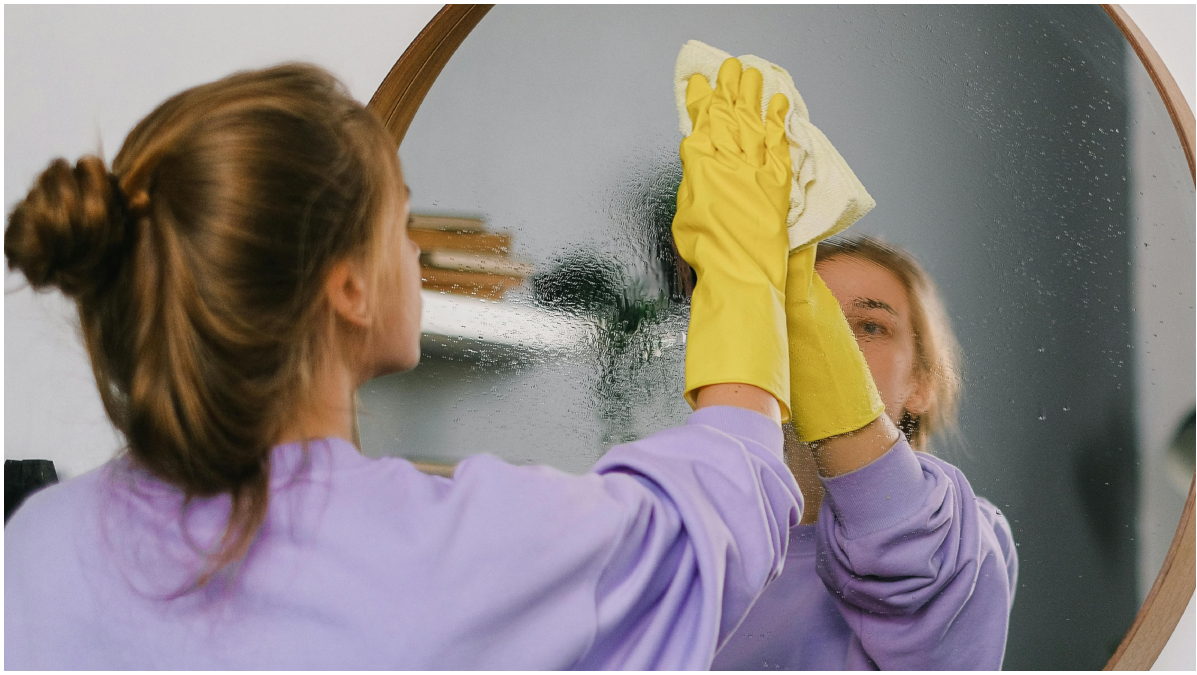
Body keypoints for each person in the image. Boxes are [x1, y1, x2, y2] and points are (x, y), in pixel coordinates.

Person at [2, 59, 894, 669]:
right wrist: (741, 270)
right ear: (350, 288)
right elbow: (702, 531)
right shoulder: (447, 552)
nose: (414, 253)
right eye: (401, 220)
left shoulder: (37, 545)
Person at [712, 235, 1018, 670]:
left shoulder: (963, 542)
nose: (829, 343)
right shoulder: (707, 541)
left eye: (871, 326)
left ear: (921, 384)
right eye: (804, 319)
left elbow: (905, 546)